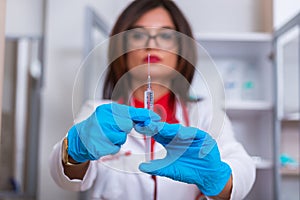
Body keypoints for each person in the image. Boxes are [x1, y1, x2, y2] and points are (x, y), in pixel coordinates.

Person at [49, 1, 255, 199]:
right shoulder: (98, 112)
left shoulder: (204, 114)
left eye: (165, 35)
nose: (151, 44)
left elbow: (242, 167)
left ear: (181, 49)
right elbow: (66, 180)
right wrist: (75, 151)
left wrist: (217, 178)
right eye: (138, 35)